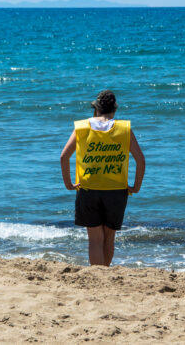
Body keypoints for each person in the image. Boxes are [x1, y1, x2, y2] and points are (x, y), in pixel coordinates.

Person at [60, 90, 145, 266]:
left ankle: (97, 274)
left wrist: (69, 184)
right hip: (116, 190)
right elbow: (141, 160)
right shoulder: (124, 129)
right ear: (114, 109)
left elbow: (63, 157)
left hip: (88, 189)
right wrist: (136, 187)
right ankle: (105, 273)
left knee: (94, 240)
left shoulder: (82, 127)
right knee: (109, 239)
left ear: (96, 108)